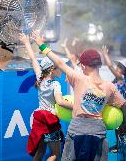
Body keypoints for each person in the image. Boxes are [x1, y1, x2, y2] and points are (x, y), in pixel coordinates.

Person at [31, 30, 126, 161]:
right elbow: (123, 105)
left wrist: (41, 45)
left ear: (82, 65)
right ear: (99, 65)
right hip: (98, 132)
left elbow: (59, 63)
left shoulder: (79, 78)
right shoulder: (110, 87)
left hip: (77, 130)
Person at [19, 33, 73, 161]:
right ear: (52, 69)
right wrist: (76, 105)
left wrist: (26, 42)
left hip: (39, 122)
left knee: (40, 151)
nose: (62, 69)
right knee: (55, 154)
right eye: (59, 67)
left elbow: (33, 59)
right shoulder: (56, 84)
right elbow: (60, 101)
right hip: (50, 123)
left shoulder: (40, 78)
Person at [102, 45, 126, 153]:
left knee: (123, 128)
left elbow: (110, 66)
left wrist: (105, 54)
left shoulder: (122, 78)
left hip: (124, 106)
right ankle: (119, 144)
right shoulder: (115, 80)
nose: (117, 67)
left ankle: (122, 146)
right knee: (118, 127)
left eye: (120, 66)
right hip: (118, 107)